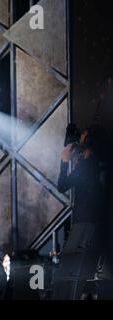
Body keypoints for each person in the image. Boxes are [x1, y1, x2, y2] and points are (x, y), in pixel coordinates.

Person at [52, 124, 108, 299]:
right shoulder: (95, 164)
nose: (80, 139)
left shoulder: (86, 167)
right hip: (94, 222)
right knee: (86, 271)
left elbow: (62, 186)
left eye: (83, 136)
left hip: (84, 222)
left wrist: (64, 161)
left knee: (70, 269)